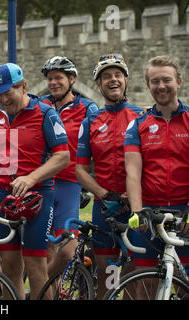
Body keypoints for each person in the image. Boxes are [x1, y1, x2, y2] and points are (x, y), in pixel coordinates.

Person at [0, 63, 70, 299]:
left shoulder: (46, 113)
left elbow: (63, 156)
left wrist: (31, 177)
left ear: (23, 86)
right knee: (8, 266)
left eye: (9, 93)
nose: (4, 99)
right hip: (5, 196)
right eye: (0, 94)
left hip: (38, 196)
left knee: (36, 267)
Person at [76, 53, 143, 298]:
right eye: (106, 76)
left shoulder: (141, 116)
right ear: (98, 84)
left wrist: (133, 196)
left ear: (125, 80)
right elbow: (79, 170)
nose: (113, 80)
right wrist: (105, 195)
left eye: (117, 75)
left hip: (136, 206)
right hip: (105, 207)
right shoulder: (91, 120)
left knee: (138, 271)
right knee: (107, 271)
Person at [125, 55, 189, 276]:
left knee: (183, 283)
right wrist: (137, 211)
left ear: (179, 81)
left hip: (184, 213)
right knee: (145, 282)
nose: (161, 86)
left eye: (167, 80)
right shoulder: (138, 124)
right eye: (155, 81)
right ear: (148, 85)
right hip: (149, 214)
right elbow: (133, 173)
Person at [40, 56, 98, 276]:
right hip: (43, 184)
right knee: (44, 250)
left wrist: (88, 183)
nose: (54, 82)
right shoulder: (41, 105)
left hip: (69, 184)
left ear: (72, 79)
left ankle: (41, 287)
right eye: (50, 79)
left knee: (66, 252)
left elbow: (97, 145)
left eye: (59, 78)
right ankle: (46, 293)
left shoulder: (87, 108)